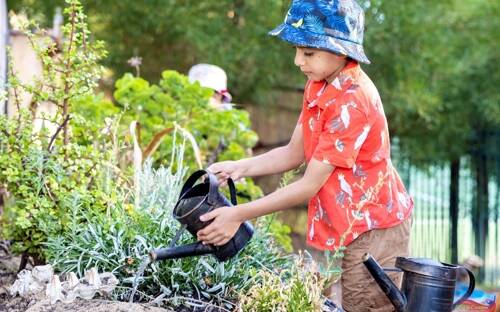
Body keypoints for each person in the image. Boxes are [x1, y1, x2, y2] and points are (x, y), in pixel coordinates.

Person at [196, 1, 413, 310]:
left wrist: (237, 214)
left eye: (308, 52)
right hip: (350, 223)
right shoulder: (319, 83)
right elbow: (293, 153)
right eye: (297, 50)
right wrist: (239, 167)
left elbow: (308, 185)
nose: (298, 61)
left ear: (340, 51)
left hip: (374, 228)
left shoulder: (352, 101)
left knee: (364, 305)